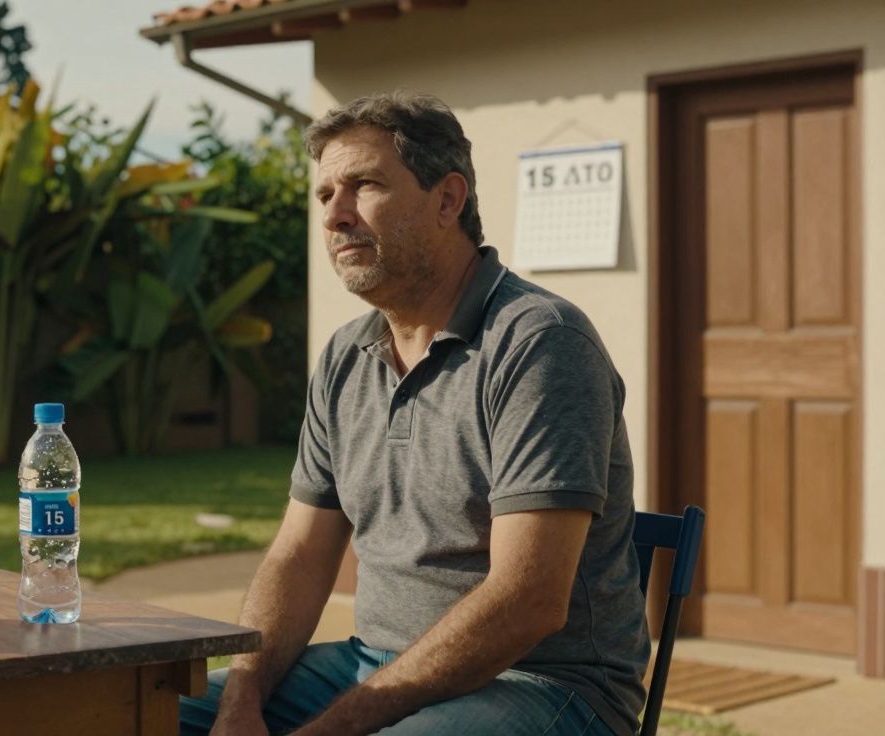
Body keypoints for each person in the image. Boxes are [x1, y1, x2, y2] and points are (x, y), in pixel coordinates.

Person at [179, 92, 649, 736]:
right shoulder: (345, 356)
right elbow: (299, 556)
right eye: (325, 195)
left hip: (542, 684)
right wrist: (242, 701)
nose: (335, 215)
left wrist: (331, 729)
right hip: (372, 664)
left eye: (364, 185)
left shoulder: (540, 342)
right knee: (130, 714)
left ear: (448, 200)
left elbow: (529, 601)